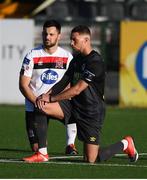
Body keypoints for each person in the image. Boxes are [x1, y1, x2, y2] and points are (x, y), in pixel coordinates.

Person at [28, 25, 139, 164]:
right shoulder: (76, 59)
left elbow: (77, 89)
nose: (71, 43)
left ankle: (126, 144)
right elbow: (64, 81)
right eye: (71, 39)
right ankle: (42, 153)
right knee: (40, 105)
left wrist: (51, 98)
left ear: (86, 40)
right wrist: (45, 95)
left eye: (75, 40)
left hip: (91, 112)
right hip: (73, 106)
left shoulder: (95, 62)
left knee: (91, 160)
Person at [19, 19, 78, 156]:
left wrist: (54, 98)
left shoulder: (67, 57)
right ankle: (41, 150)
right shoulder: (32, 55)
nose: (47, 37)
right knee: (35, 147)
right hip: (35, 104)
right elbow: (23, 85)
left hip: (56, 102)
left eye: (51, 34)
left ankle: (70, 145)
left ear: (59, 36)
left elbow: (70, 84)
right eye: (45, 34)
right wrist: (36, 101)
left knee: (74, 114)